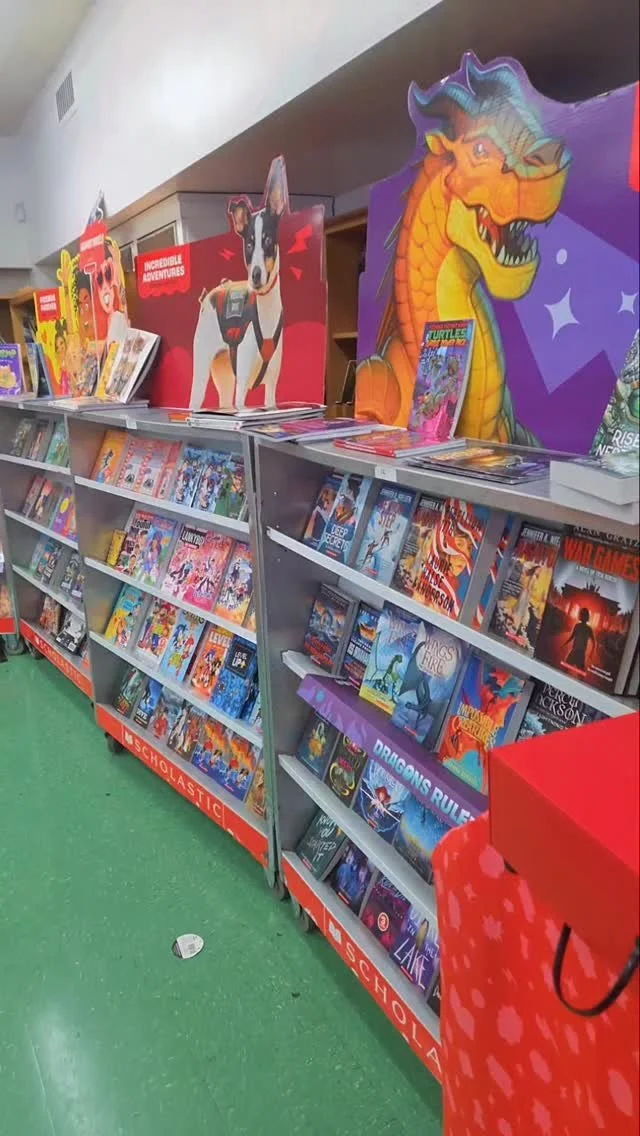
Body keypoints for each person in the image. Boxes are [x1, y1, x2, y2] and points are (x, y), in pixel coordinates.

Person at [562, 607, 595, 672]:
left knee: (566, 668)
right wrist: (591, 653)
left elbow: (571, 637)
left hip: (577, 652)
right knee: (579, 672)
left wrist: (564, 644)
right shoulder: (587, 628)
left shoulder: (580, 626)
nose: (583, 616)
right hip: (579, 652)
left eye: (583, 615)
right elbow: (594, 642)